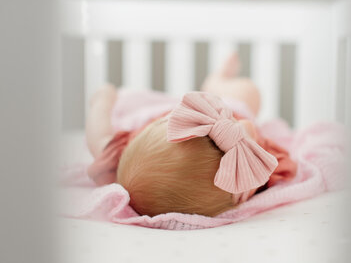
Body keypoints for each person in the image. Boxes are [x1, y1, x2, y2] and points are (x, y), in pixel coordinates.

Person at [86, 54, 297, 217]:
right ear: (241, 194)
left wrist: (102, 101)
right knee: (249, 92)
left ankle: (212, 88)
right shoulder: (249, 167)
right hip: (228, 107)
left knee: (232, 96)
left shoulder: (117, 162)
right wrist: (247, 135)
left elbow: (99, 132)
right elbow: (278, 157)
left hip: (190, 114)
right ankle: (217, 82)